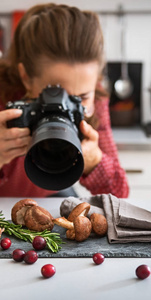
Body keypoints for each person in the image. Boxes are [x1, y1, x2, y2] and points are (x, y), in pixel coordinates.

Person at [0, 3, 129, 198]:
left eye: (81, 97)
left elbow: (119, 194)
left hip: (53, 193)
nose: (65, 106)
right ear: (25, 77)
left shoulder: (96, 97)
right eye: (54, 93)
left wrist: (95, 161)